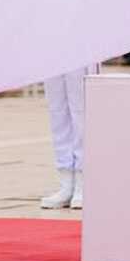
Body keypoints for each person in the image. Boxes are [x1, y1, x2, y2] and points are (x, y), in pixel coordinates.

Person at [39, 65, 97, 209]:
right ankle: (66, 183)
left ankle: (82, 183)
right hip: (51, 49)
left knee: (81, 112)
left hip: (82, 49)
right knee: (57, 112)